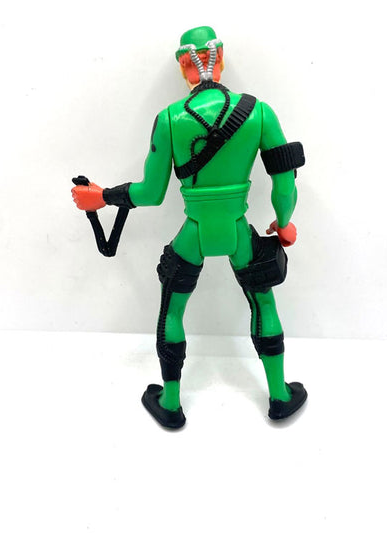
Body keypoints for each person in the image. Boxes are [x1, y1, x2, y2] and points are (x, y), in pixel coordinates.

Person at [72, 26, 307, 429]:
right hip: (238, 229)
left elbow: (150, 193)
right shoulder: (260, 113)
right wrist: (284, 224)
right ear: (221, 57)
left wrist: (104, 197)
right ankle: (280, 396)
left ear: (184, 66)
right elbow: (284, 184)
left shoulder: (169, 119)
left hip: (194, 232)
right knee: (264, 303)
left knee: (172, 308)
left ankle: (170, 401)